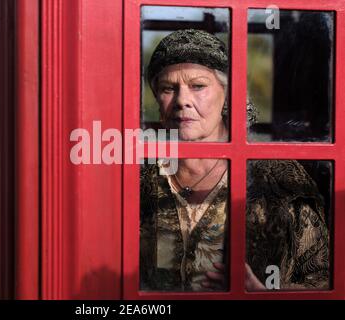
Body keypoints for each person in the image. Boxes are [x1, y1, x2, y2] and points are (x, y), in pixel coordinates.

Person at [140, 29, 330, 292]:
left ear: (228, 95)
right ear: (157, 99)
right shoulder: (137, 174)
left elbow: (323, 280)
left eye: (198, 86)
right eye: (168, 88)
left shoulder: (277, 178)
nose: (182, 100)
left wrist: (261, 294)